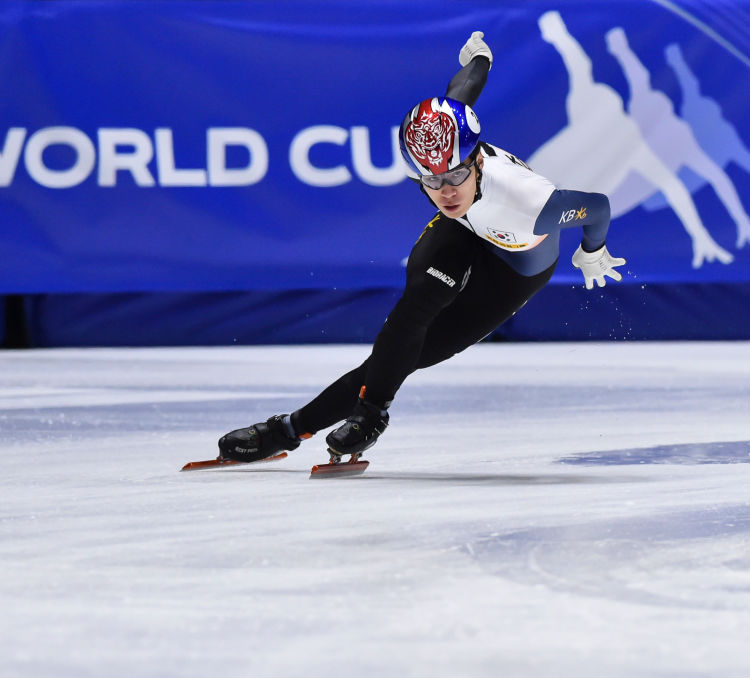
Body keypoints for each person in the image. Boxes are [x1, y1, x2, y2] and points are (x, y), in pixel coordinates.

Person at [216, 31, 626, 466]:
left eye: (453, 177)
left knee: (418, 352)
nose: (445, 191)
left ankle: (305, 423)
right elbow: (462, 90)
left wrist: (592, 250)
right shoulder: (442, 149)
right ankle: (331, 423)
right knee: (410, 320)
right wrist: (481, 60)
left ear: (477, 160)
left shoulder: (531, 203)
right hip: (467, 229)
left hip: (515, 265)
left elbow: (596, 207)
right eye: (430, 181)